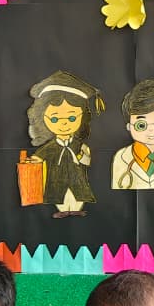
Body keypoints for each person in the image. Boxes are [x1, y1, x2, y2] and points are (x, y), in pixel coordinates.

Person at [24, 70, 105, 217]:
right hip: (56, 177)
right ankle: (63, 211)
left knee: (77, 192)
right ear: (42, 118)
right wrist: (34, 161)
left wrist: (83, 156)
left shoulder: (79, 145)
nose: (64, 124)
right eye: (55, 119)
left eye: (72, 118)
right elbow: (39, 157)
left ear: (83, 117)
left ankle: (75, 209)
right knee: (59, 192)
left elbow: (87, 161)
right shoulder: (49, 148)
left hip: (76, 176)